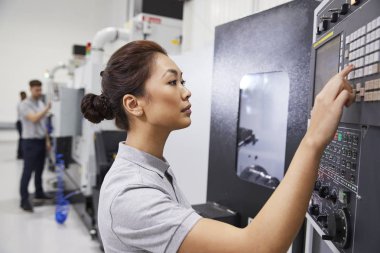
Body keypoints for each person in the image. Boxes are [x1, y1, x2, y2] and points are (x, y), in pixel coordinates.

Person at [81, 40, 355, 253]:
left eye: (183, 81)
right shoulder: (131, 194)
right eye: (172, 82)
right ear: (133, 104)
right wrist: (314, 139)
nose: (186, 91)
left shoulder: (153, 169)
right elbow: (258, 248)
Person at [19, 80, 52, 212]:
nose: (39, 92)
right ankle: (24, 200)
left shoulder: (40, 103)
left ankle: (39, 192)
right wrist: (47, 109)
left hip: (40, 141)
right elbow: (34, 119)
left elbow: (43, 124)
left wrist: (47, 140)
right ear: (30, 89)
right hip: (30, 142)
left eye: (40, 89)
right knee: (27, 172)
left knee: (40, 170)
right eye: (36, 90)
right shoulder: (24, 105)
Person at [16, 91, 27, 159]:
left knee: (22, 138)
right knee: (21, 138)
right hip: (20, 122)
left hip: (22, 122)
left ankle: (22, 153)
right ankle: (20, 154)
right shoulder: (21, 104)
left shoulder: (24, 103)